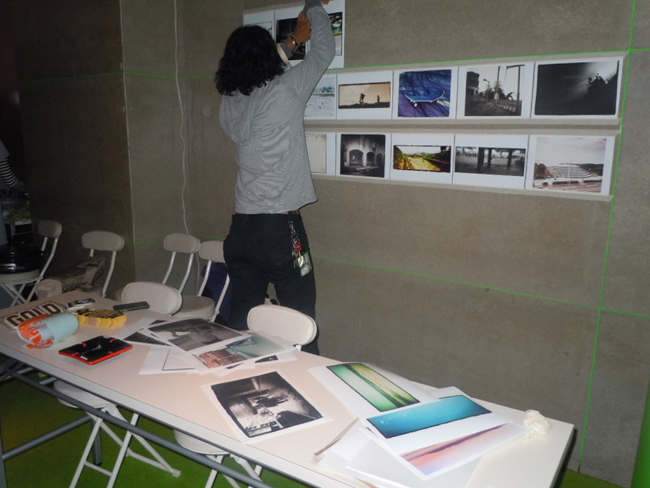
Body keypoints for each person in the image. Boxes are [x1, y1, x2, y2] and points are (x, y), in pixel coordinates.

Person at [216, 0, 334, 354]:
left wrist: (291, 43)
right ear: (267, 58)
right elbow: (324, 51)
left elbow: (256, 77)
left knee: (242, 325)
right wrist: (313, 6)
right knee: (301, 323)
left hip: (240, 233)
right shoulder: (285, 89)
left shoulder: (230, 102)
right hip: (281, 232)